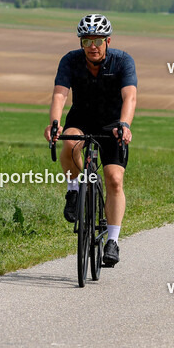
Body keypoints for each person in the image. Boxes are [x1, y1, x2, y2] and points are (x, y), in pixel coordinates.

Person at [44, 14, 137, 266]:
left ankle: (113, 241)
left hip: (113, 125)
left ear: (108, 41)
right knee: (70, 141)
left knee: (114, 180)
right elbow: (60, 95)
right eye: (86, 41)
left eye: (97, 40)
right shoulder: (70, 61)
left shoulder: (122, 61)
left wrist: (125, 124)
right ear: (81, 43)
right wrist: (55, 123)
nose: (92, 46)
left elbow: (130, 97)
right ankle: (73, 190)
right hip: (81, 119)